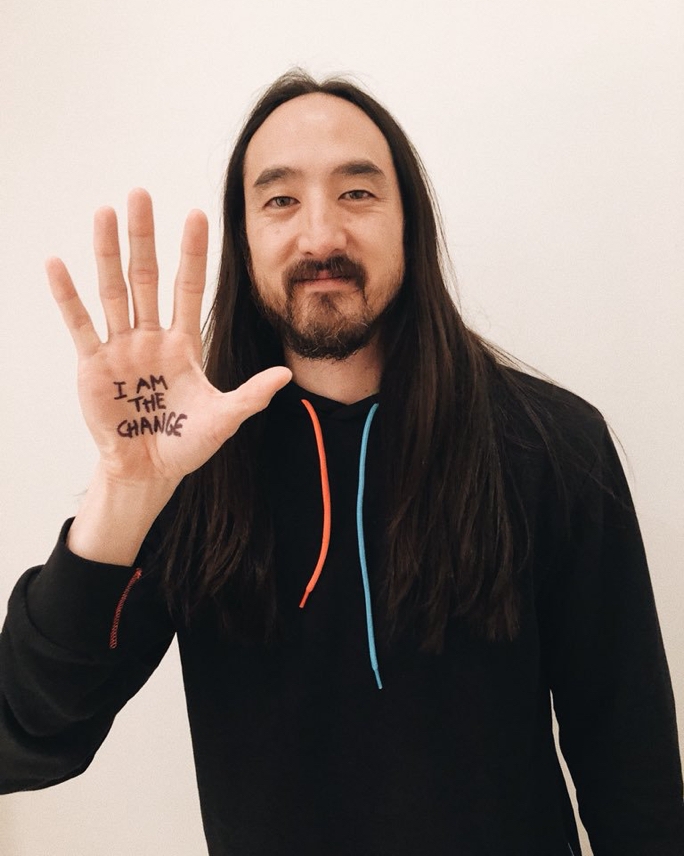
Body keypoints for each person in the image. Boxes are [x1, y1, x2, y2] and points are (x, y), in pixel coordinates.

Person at [1, 70, 682, 856]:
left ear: (409, 224)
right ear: (245, 236)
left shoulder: (554, 444)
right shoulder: (190, 470)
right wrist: (126, 489)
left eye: (357, 193)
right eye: (280, 199)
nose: (320, 236)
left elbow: (633, 774)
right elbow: (26, 739)